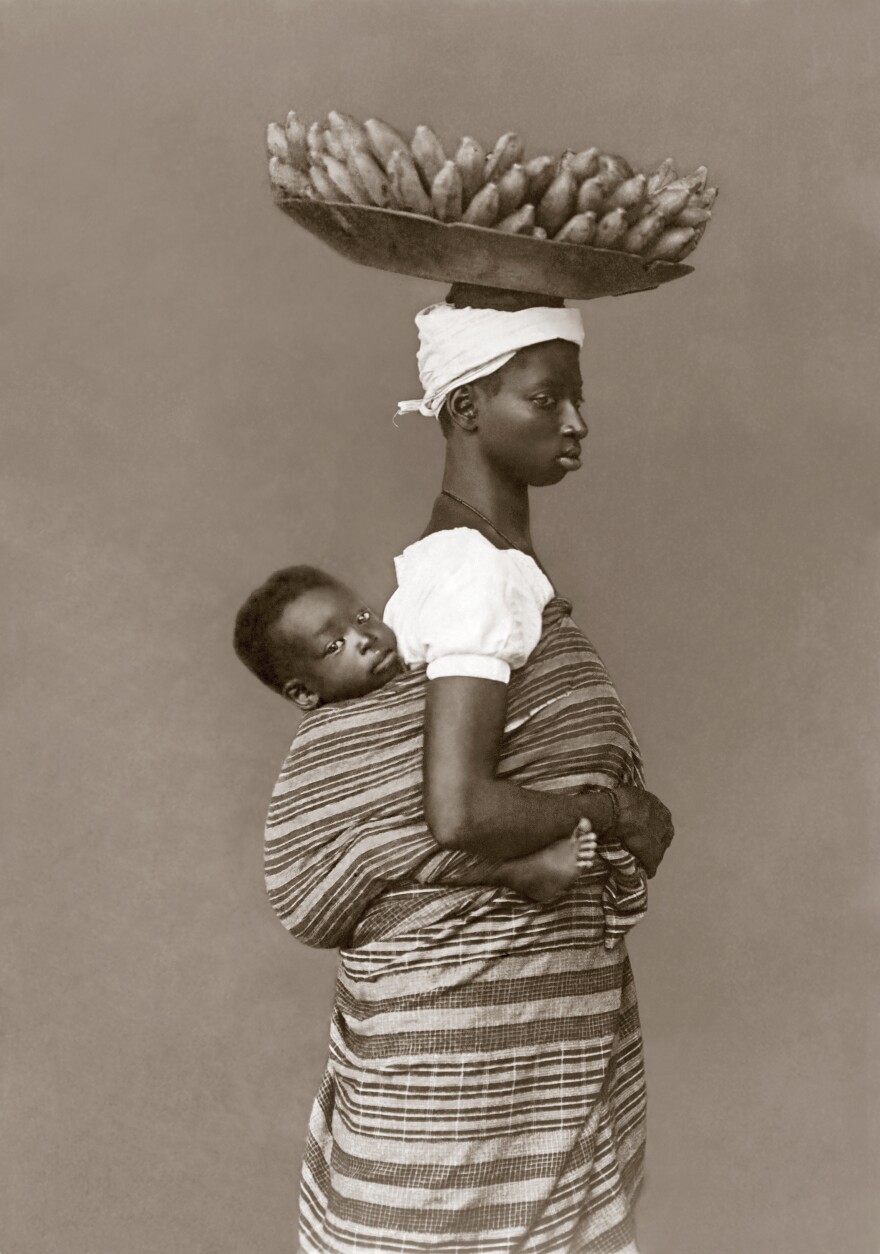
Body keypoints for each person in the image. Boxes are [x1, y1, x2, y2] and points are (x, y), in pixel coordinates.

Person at [264, 285, 674, 1254]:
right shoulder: (472, 573)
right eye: (546, 397)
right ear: (464, 410)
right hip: (459, 1053)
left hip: (500, 1043)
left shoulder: (473, 568)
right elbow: (454, 809)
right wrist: (611, 808)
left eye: (577, 396)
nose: (576, 422)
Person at [233, 563, 597, 903]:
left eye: (362, 616)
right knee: (389, 840)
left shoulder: (421, 664)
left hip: (395, 851)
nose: (365, 637)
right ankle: (514, 873)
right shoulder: (331, 738)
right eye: (334, 646)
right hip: (322, 881)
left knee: (440, 811)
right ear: (304, 693)